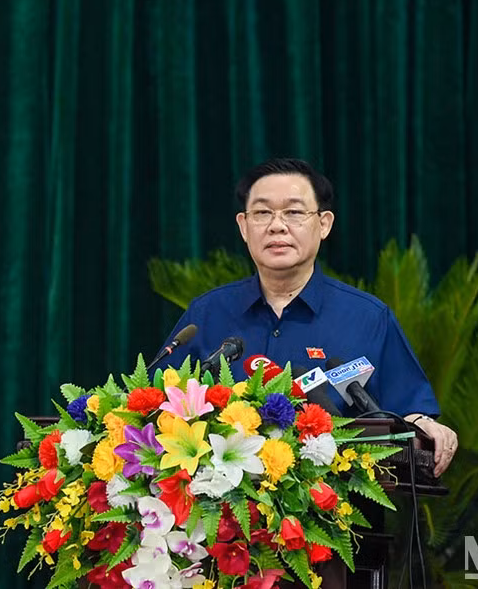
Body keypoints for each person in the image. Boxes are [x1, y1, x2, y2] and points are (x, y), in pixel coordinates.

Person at [157, 158, 458, 476]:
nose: (277, 225)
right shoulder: (208, 314)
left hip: (338, 515)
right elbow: (157, 406)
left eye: (294, 212)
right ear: (244, 227)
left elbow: (408, 411)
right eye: (262, 213)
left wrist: (425, 426)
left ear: (324, 224)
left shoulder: (368, 318)